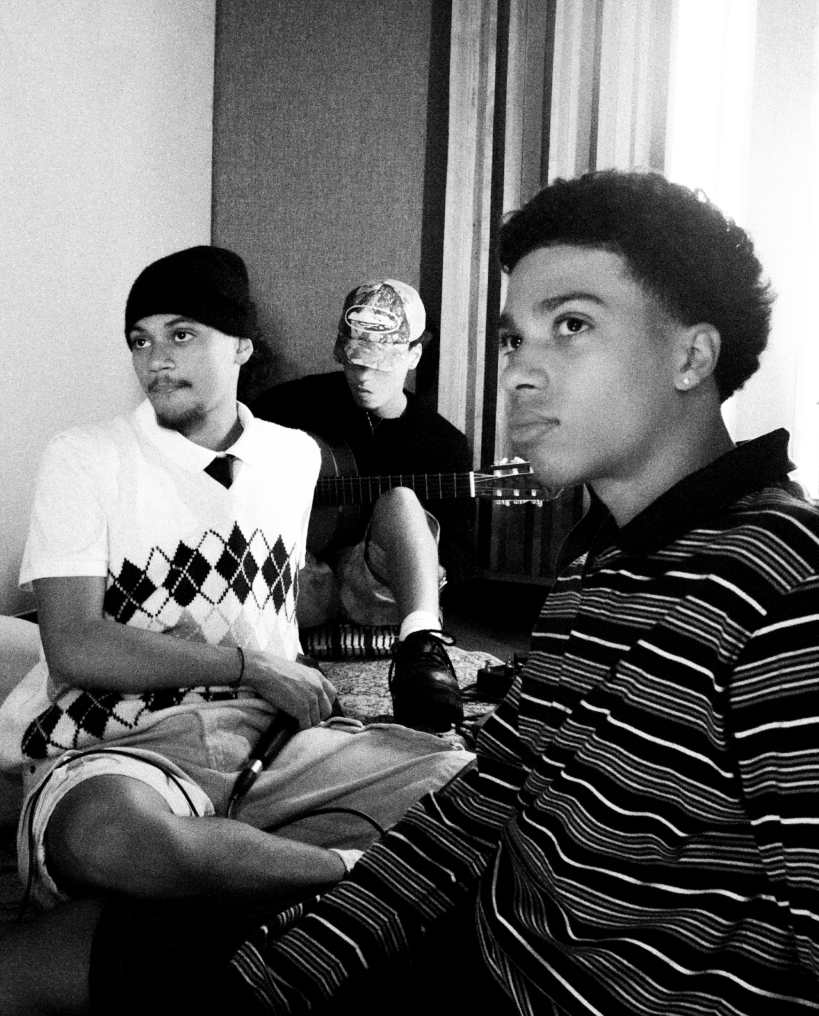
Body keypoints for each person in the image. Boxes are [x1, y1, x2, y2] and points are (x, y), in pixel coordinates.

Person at [6, 169, 819, 1016]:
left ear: (691, 355)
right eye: (512, 339)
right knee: (39, 962)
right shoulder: (597, 565)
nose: (519, 373)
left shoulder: (786, 588)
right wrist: (290, 966)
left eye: (571, 325)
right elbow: (490, 800)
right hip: (480, 933)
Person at [0, 247, 473, 921]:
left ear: (242, 347)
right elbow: (73, 645)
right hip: (126, 744)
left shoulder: (295, 456)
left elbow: (293, 588)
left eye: (182, 334)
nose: (156, 359)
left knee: (474, 789)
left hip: (275, 742)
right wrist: (252, 666)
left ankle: (259, 861)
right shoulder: (84, 457)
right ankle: (355, 875)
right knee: (109, 839)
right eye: (141, 340)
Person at [252, 279, 475, 732]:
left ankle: (421, 651)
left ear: (414, 354)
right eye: (355, 362)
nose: (364, 377)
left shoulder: (443, 442)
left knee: (402, 501)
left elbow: (462, 558)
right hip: (300, 577)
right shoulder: (289, 406)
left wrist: (415, 552)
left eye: (380, 365)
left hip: (374, 587)